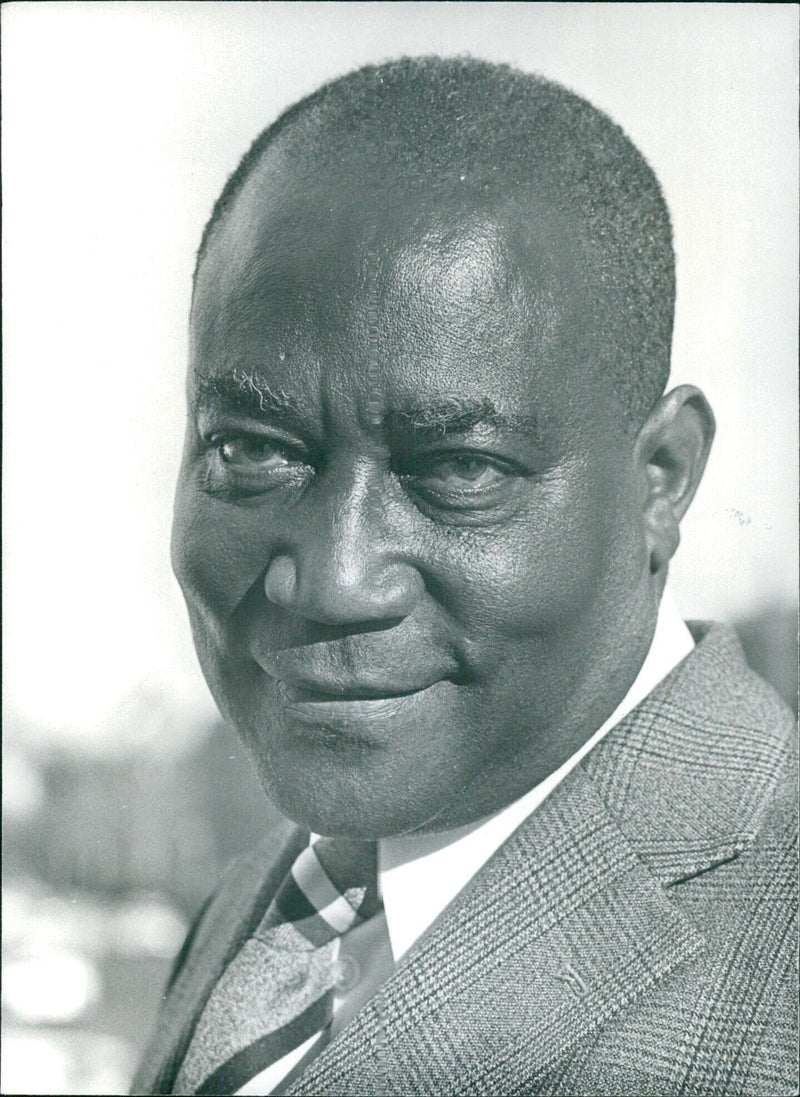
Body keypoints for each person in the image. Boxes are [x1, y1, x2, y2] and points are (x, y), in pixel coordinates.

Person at [133, 57, 797, 1096]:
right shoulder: (262, 905)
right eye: (255, 450)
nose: (334, 579)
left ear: (659, 479)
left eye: (458, 469)